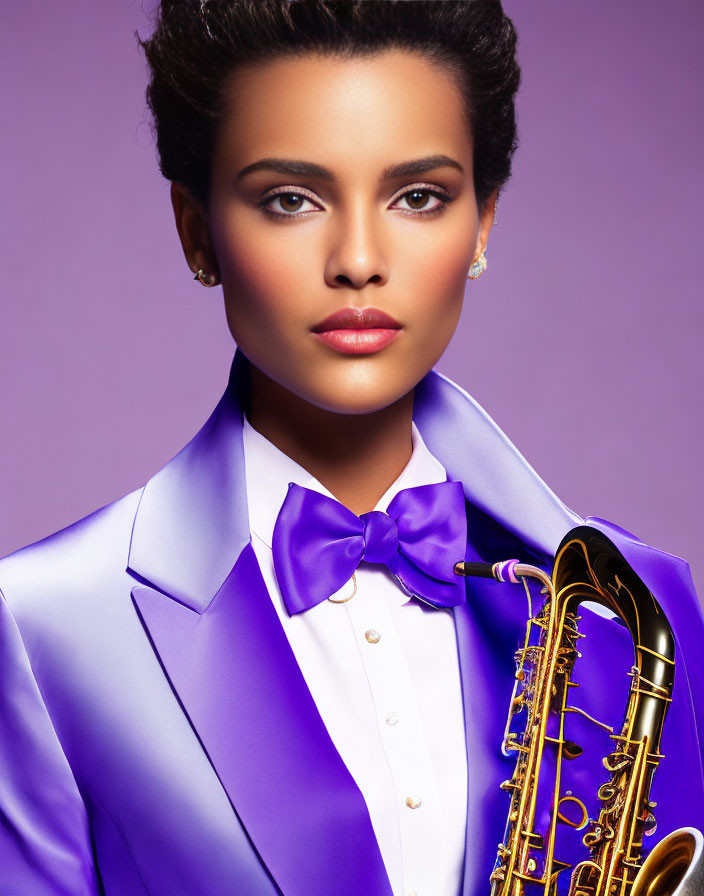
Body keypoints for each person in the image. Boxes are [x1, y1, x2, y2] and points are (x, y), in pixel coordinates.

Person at [0, 2, 702, 895]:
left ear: (482, 223)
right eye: (290, 200)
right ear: (197, 231)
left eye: (419, 196)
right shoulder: (43, 628)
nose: (360, 260)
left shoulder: (640, 612)